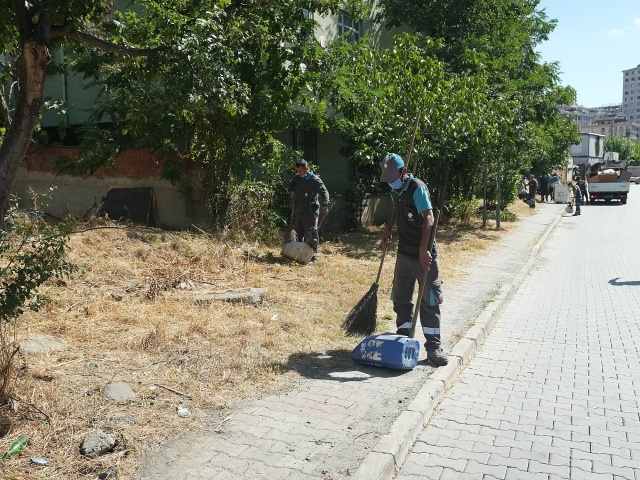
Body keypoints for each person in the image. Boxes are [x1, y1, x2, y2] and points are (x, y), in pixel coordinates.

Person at [379, 153, 448, 367]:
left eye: (394, 176)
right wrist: (388, 227)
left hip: (423, 255)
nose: (391, 181)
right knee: (401, 298)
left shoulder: (417, 188)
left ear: (404, 171)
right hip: (403, 253)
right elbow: (397, 211)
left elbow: (429, 218)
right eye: (388, 178)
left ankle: (433, 348)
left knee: (428, 300)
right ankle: (403, 339)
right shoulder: (395, 189)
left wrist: (423, 250)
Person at [289, 159, 330, 262]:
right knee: (298, 234)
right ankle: (300, 255)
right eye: (297, 171)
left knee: (312, 236)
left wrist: (325, 206)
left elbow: (325, 193)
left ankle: (313, 258)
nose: (299, 173)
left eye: (301, 171)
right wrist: (292, 192)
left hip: (311, 212)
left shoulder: (315, 180)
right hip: (300, 211)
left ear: (307, 169)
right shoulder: (297, 177)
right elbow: (291, 184)